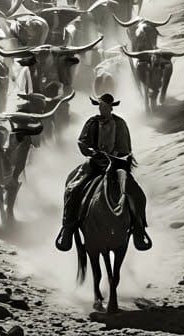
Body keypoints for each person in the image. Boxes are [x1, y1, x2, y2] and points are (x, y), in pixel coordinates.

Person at [54, 93, 152, 252]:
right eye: (100, 106)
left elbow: (126, 147)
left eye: (105, 106)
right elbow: (82, 141)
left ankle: (139, 229)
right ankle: (68, 228)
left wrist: (116, 155)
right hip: (95, 163)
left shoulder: (120, 124)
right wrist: (92, 152)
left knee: (136, 193)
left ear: (111, 107)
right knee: (73, 188)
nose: (102, 109)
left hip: (117, 164)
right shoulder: (92, 122)